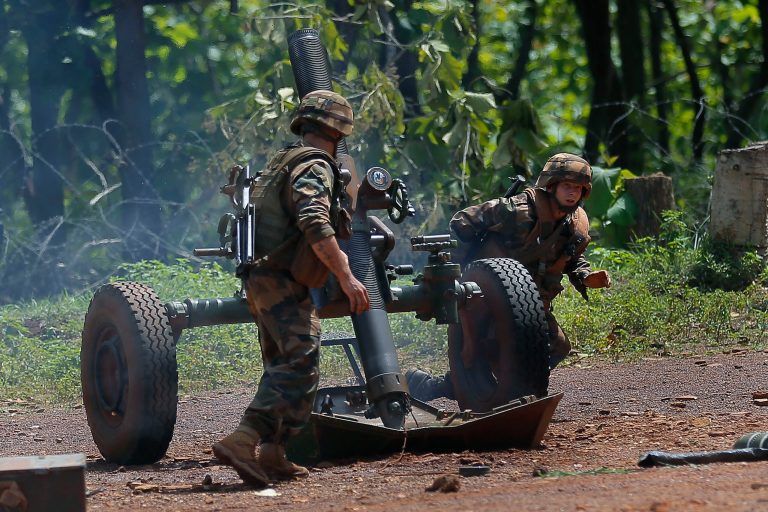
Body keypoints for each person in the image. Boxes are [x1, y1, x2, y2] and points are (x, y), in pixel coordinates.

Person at [213, 90, 370, 487]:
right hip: (281, 279)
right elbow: (315, 222)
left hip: (264, 276)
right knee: (299, 360)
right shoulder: (315, 165)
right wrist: (347, 275)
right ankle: (244, 438)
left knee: (281, 362)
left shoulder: (283, 160)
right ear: (338, 131)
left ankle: (273, 452)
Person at [407, 153, 611, 401]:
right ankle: (444, 387)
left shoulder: (575, 224)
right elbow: (462, 222)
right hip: (484, 298)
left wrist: (586, 276)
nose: (572, 193)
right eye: (567, 186)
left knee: (556, 346)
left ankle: (460, 387)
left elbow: (572, 257)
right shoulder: (517, 210)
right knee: (486, 349)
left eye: (578, 188)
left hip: (529, 305)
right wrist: (457, 275)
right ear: (551, 185)